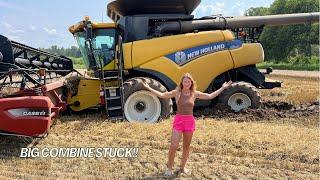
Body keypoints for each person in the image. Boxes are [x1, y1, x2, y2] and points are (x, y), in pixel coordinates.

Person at [142, 73, 232, 178]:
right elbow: (162, 95)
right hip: (179, 121)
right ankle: (169, 168)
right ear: (182, 83)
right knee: (174, 145)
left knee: (186, 146)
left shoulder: (194, 93)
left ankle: (183, 167)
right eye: (185, 81)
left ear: (191, 83)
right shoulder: (177, 93)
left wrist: (222, 88)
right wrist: (148, 88)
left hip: (189, 121)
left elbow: (210, 96)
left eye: (188, 81)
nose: (187, 83)